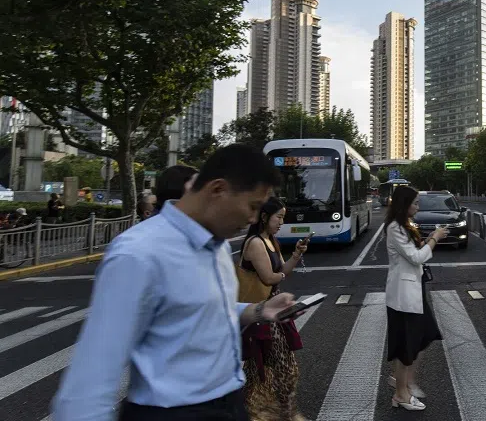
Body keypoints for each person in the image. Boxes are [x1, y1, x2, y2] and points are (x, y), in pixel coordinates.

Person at [51, 144, 299, 421]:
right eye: (252, 206)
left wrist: (258, 311)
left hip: (230, 401)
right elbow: (89, 383)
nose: (253, 218)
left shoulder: (216, 245)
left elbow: (202, 312)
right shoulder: (138, 254)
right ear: (217, 190)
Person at [238, 196, 308, 421]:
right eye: (279, 217)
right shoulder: (256, 242)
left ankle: (278, 413)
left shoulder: (271, 241)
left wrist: (297, 254)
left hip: (274, 310)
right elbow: (270, 278)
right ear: (265, 216)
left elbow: (283, 272)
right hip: (261, 312)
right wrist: (279, 276)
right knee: (264, 370)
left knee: (279, 368)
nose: (281, 223)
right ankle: (263, 414)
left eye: (283, 218)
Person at [384, 185, 448, 412]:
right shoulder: (395, 228)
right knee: (406, 345)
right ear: (404, 204)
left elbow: (414, 252)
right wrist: (435, 239)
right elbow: (415, 257)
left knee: (425, 335)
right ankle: (401, 393)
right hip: (403, 295)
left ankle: (402, 380)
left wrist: (427, 239)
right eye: (415, 203)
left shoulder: (405, 226)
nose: (418, 207)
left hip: (414, 290)